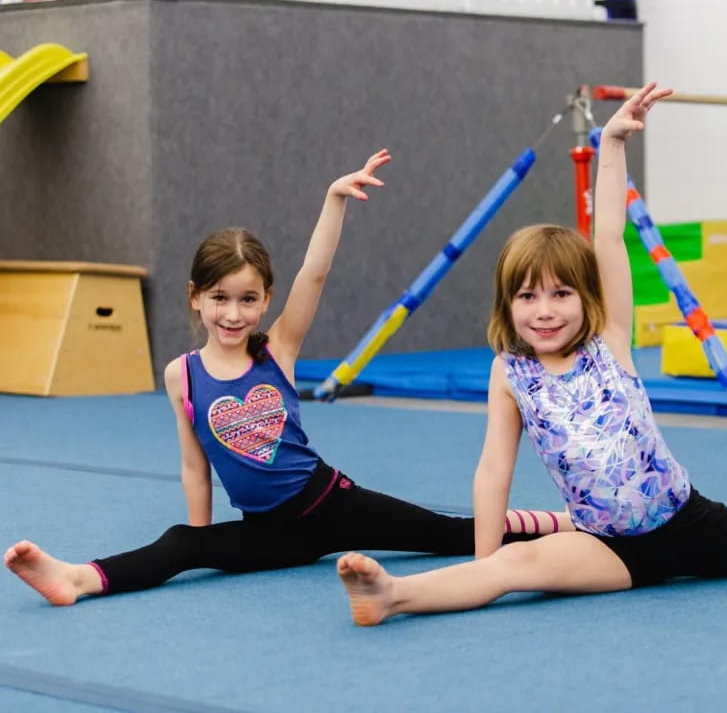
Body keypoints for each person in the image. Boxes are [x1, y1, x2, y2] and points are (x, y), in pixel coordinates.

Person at [336, 86, 727, 626]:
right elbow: (494, 470)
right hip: (607, 547)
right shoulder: (511, 373)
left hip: (687, 521)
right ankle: (390, 594)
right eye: (527, 296)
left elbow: (607, 235)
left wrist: (611, 144)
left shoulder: (608, 340)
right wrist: (484, 568)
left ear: (586, 300)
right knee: (514, 564)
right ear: (506, 303)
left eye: (561, 294)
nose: (545, 311)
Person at [4, 149, 571, 606]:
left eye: (248, 299)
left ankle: (567, 523)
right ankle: (77, 578)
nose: (233, 313)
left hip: (331, 503)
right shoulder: (183, 376)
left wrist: (333, 201)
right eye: (219, 299)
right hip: (270, 533)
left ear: (265, 300)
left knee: (451, 536)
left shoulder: (277, 349)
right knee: (178, 544)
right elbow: (193, 464)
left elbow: (315, 273)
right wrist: (203, 538)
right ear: (196, 299)